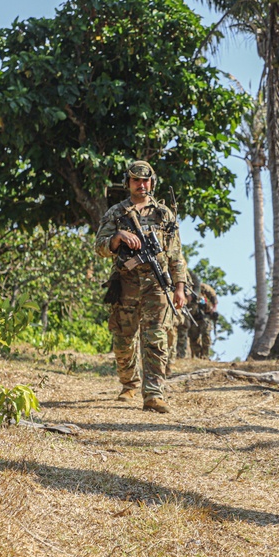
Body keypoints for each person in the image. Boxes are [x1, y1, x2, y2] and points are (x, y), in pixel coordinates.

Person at [94, 160, 188, 413]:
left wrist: (180, 287)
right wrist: (117, 237)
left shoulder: (163, 214)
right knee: (123, 339)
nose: (141, 185)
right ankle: (129, 385)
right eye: (136, 180)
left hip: (157, 285)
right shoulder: (117, 212)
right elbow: (99, 247)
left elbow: (176, 254)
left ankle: (154, 394)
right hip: (125, 283)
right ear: (128, 183)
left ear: (152, 183)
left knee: (156, 338)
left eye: (145, 181)